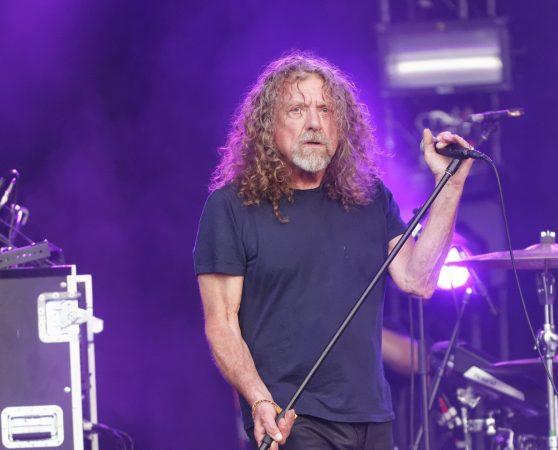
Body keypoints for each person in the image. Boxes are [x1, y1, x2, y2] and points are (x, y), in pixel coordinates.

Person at [193, 52, 473, 449]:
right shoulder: (231, 208)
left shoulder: (368, 197)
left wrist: (451, 185)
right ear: (268, 125)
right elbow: (221, 322)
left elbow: (419, 279)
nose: (313, 122)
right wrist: (259, 400)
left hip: (371, 415)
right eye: (297, 109)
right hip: (291, 417)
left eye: (325, 109)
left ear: (341, 125)